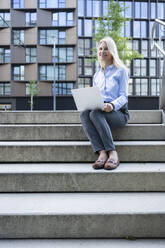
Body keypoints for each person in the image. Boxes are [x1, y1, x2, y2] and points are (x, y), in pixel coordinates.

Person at [80, 36, 129, 170]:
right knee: (84, 114)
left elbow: (124, 96)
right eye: (100, 49)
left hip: (118, 112)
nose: (102, 51)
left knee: (95, 114)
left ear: (112, 51)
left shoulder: (122, 71)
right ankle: (102, 152)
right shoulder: (97, 75)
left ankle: (112, 152)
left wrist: (112, 105)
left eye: (106, 48)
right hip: (100, 109)